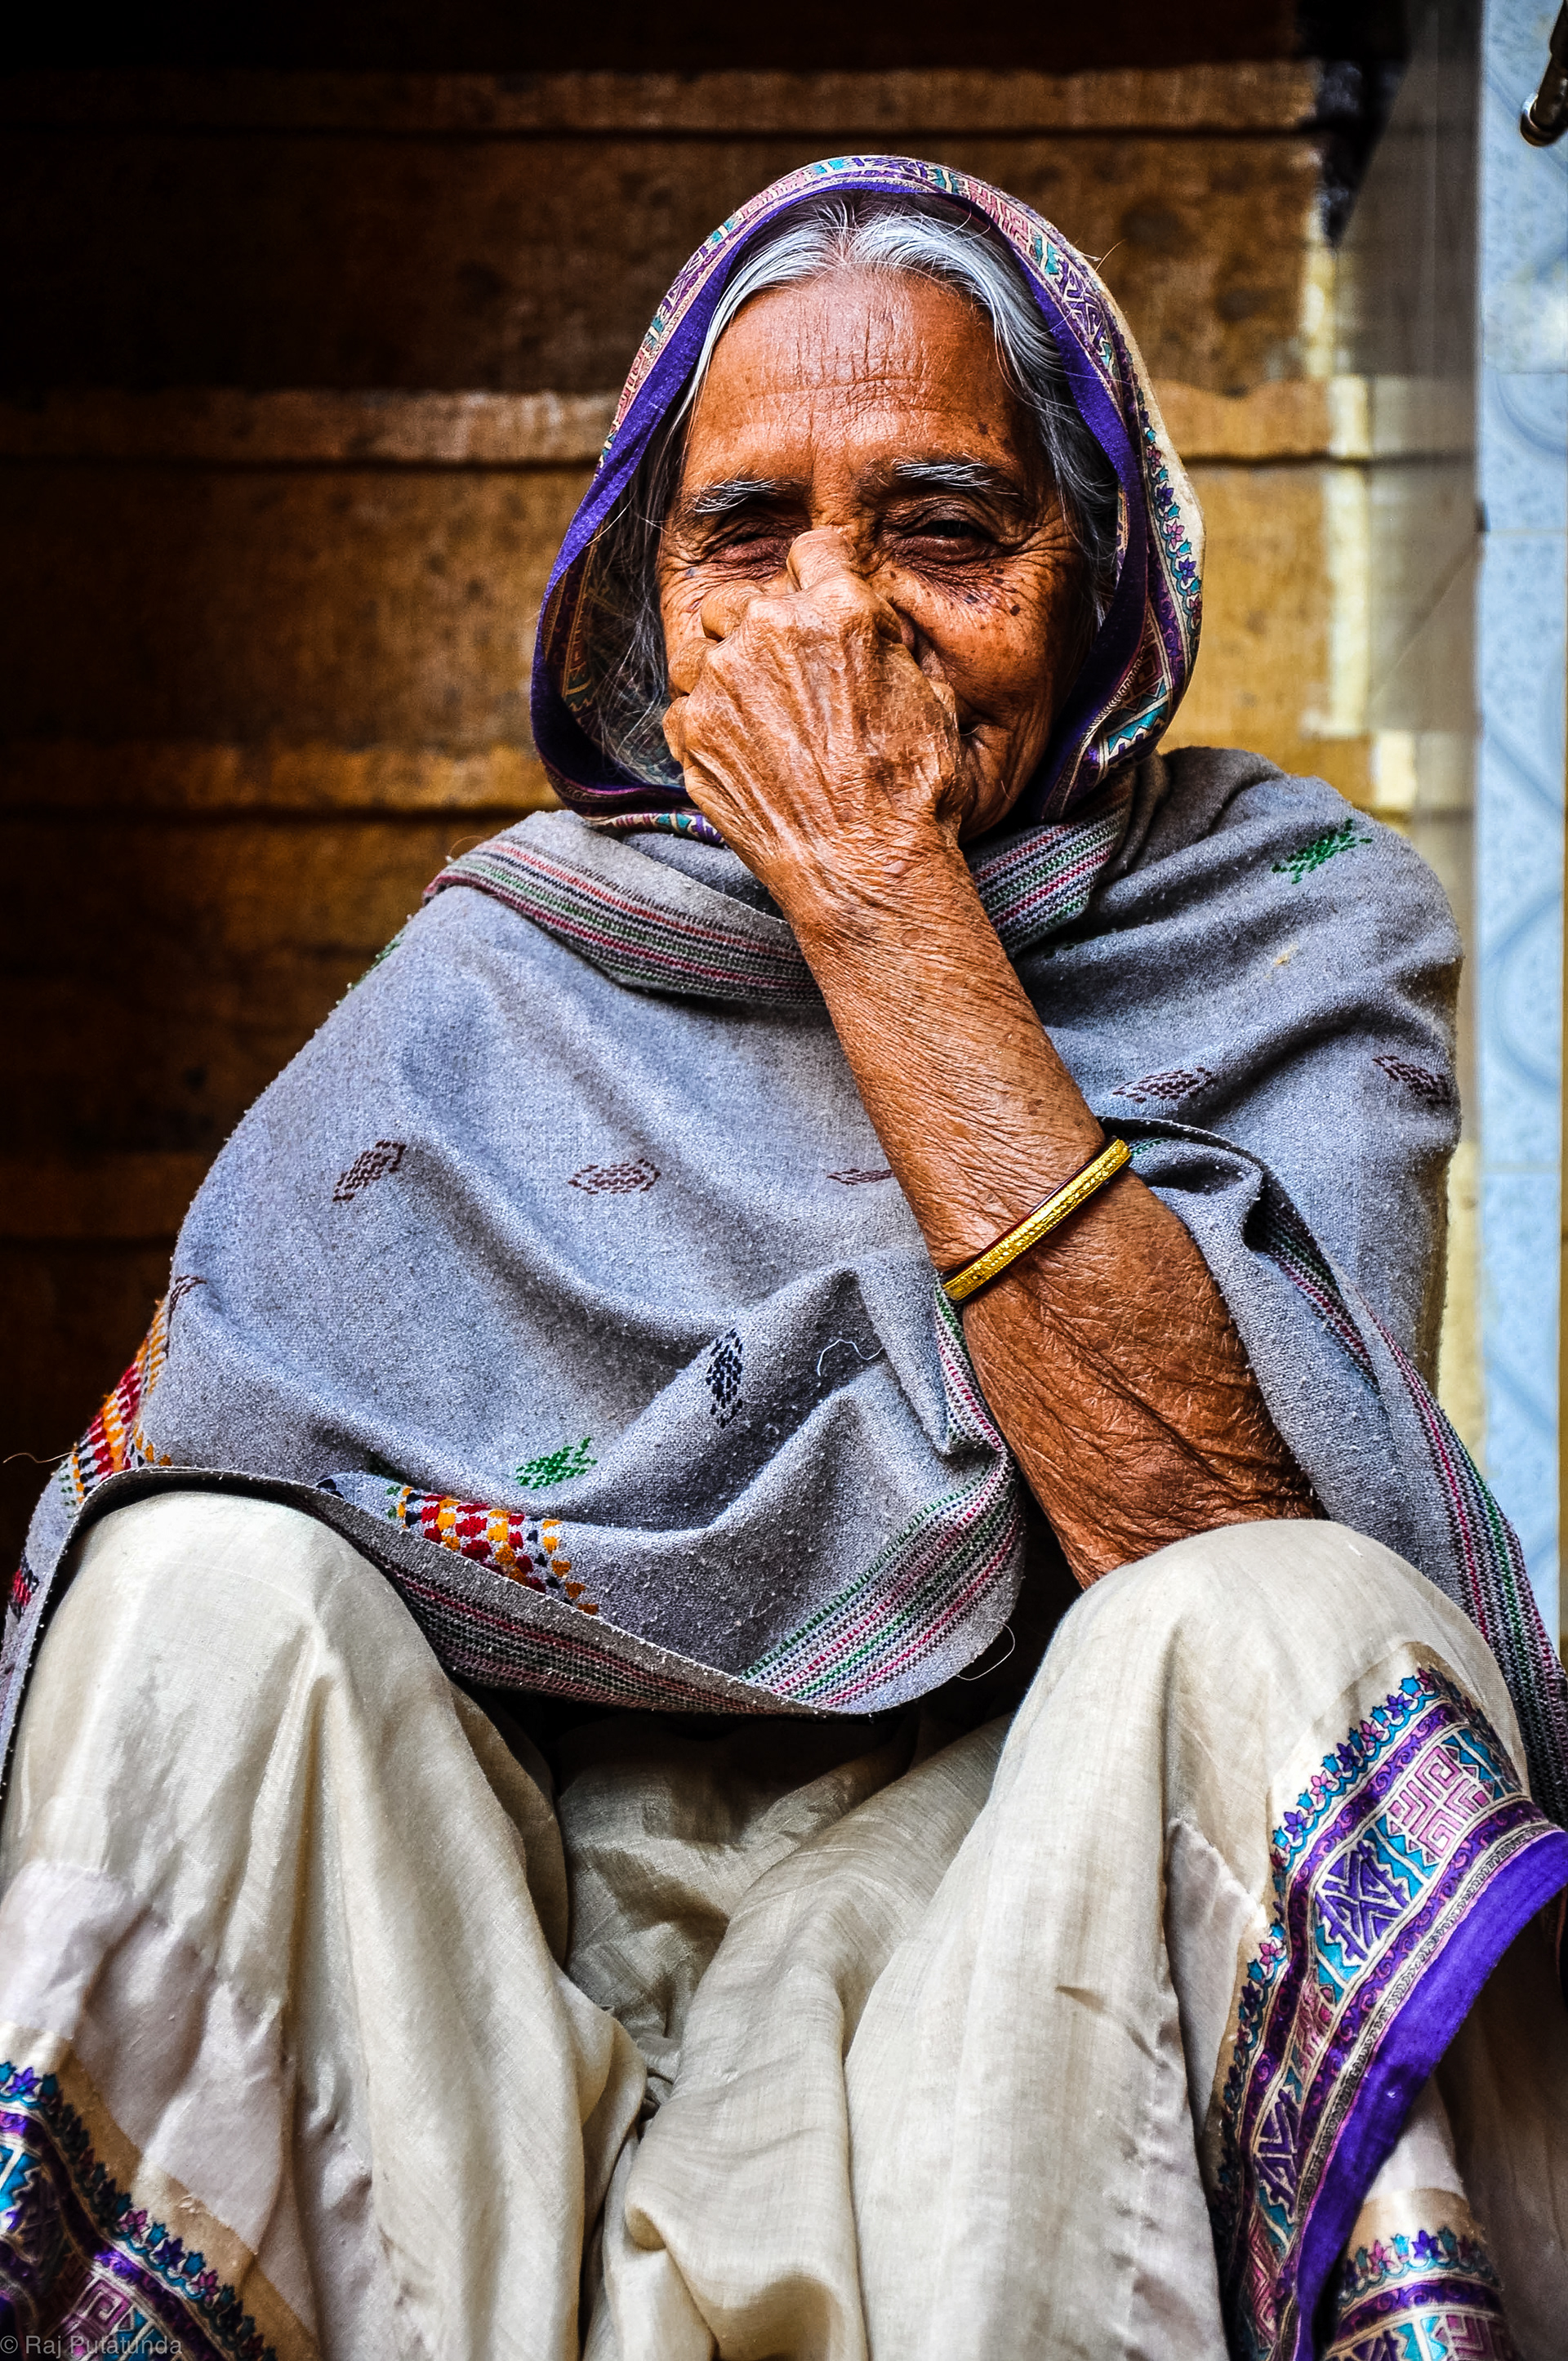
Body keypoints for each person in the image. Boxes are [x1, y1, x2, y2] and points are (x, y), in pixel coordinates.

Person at [2, 157, 1566, 2360]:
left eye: (946, 528)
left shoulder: (1289, 920)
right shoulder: (506, 977)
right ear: (652, 614)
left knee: (1288, 1604)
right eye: (748, 534)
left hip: (1029, 1976)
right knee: (187, 1581)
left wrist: (877, 896)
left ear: (1100, 585)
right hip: (484, 2004)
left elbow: (1216, 1525)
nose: (838, 618)